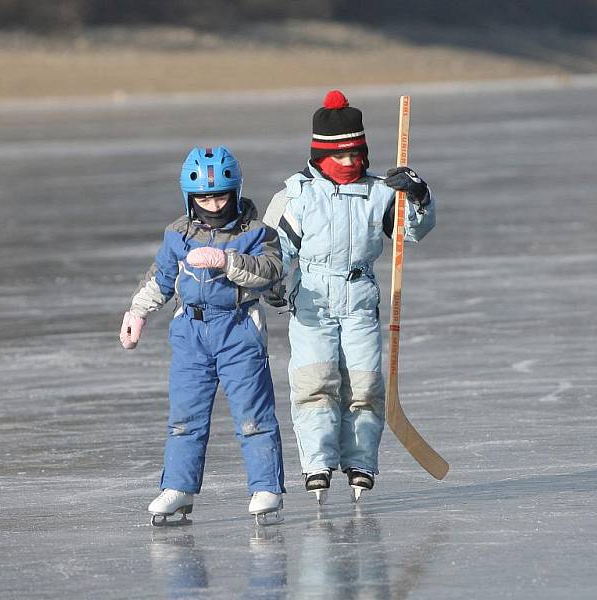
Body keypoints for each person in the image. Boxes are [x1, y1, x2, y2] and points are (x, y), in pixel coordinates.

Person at [263, 90, 436, 504]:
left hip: (360, 299)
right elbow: (273, 248)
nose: (348, 163)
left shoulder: (379, 192)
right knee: (315, 382)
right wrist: (270, 283)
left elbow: (412, 231)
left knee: (364, 385)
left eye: (355, 155)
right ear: (319, 155)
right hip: (311, 302)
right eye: (339, 156)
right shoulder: (297, 196)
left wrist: (418, 196)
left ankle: (361, 462)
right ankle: (318, 463)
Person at [120, 146, 286, 525]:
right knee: (185, 417)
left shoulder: (258, 233)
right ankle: (178, 488)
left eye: (221, 195)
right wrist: (137, 312)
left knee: (253, 415)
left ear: (236, 191)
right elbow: (161, 278)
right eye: (204, 197)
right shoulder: (177, 234)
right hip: (191, 333)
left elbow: (270, 272)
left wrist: (228, 262)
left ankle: (266, 487)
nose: (213, 204)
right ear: (190, 197)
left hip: (239, 330)